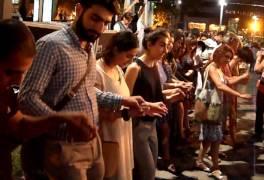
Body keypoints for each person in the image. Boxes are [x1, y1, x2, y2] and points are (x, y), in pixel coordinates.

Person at [18, 0, 146, 179]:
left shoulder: (89, 47)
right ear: (79, 10)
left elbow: (87, 91)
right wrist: (64, 120)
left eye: (105, 23)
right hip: (61, 145)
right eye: (95, 18)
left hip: (93, 143)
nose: (100, 28)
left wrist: (122, 100)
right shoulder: (51, 46)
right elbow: (27, 98)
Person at [0, 19, 95, 180]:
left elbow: (20, 126)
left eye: (23, 73)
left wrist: (61, 118)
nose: (18, 81)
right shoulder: (52, 45)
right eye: (10, 72)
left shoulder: (5, 94)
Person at [95, 31, 167, 180]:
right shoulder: (98, 72)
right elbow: (96, 111)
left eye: (133, 56)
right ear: (115, 49)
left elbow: (127, 99)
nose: (130, 61)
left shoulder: (117, 70)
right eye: (128, 56)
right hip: (108, 137)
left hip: (122, 134)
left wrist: (147, 106)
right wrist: (126, 113)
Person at [196, 44, 251, 179]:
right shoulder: (212, 67)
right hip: (210, 106)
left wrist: (242, 77)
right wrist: (240, 95)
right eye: (226, 57)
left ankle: (199, 160)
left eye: (230, 58)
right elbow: (220, 85)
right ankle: (215, 168)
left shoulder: (218, 68)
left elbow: (227, 80)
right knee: (215, 139)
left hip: (215, 107)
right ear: (219, 54)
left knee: (210, 138)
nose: (228, 60)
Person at [125, 28, 170, 180]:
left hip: (152, 125)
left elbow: (156, 96)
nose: (165, 50)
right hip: (138, 125)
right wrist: (149, 107)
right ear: (149, 44)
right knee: (147, 172)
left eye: (167, 46)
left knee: (149, 172)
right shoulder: (134, 68)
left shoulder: (155, 66)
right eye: (162, 45)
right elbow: (125, 100)